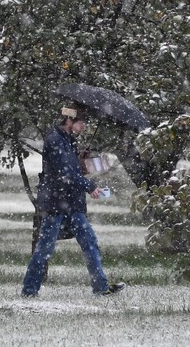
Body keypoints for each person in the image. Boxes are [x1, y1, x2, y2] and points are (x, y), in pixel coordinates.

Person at [21, 105, 126, 298]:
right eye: (81, 122)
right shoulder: (55, 141)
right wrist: (90, 186)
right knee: (45, 249)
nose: (84, 126)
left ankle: (100, 287)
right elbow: (64, 174)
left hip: (72, 204)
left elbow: (70, 169)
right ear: (69, 121)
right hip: (56, 205)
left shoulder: (68, 141)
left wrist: (80, 160)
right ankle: (29, 291)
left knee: (90, 242)